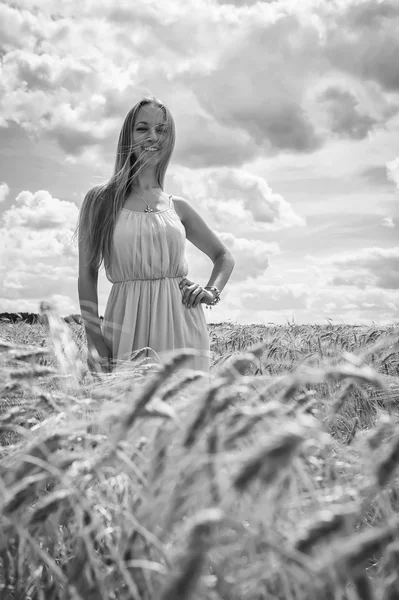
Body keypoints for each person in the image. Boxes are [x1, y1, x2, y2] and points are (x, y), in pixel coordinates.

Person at [75, 95, 235, 375]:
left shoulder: (178, 206)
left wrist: (211, 292)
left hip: (183, 326)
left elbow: (224, 256)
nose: (153, 136)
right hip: (125, 324)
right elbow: (87, 274)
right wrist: (94, 339)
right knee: (126, 413)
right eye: (142, 128)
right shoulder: (100, 201)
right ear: (128, 135)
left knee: (184, 414)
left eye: (161, 129)